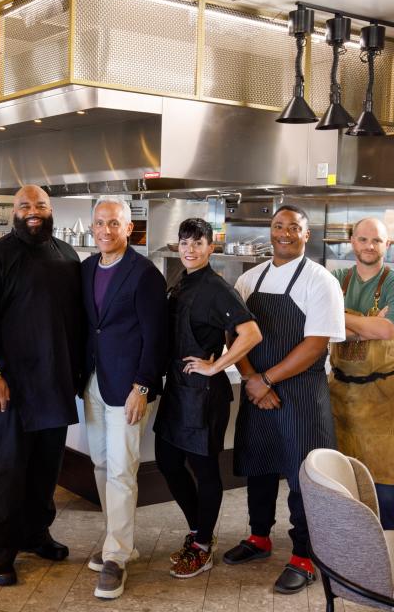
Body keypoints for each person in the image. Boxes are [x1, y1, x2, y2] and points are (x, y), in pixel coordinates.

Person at [0, 184, 85, 587]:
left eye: (41, 205)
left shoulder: (67, 256)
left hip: (54, 383)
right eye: (25, 205)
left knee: (46, 469)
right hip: (10, 387)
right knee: (8, 470)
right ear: (13, 211)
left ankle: (36, 534)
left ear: (50, 210)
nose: (34, 211)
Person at [229, 204, 344, 594]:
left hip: (300, 392)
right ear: (270, 231)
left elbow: (315, 345)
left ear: (305, 235)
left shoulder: (320, 281)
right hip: (258, 389)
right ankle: (259, 537)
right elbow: (235, 336)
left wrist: (265, 380)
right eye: (278, 226)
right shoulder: (250, 279)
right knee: (258, 466)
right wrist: (250, 379)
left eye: (293, 228)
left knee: (304, 477)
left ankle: (305, 556)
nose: (284, 233)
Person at [154, 218, 262, 579]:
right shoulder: (180, 282)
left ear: (210, 248)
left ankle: (201, 546)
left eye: (197, 243)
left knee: (204, 469)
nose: (189, 249)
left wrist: (216, 368)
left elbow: (250, 333)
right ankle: (199, 529)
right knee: (167, 461)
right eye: (185, 242)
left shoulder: (217, 288)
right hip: (177, 391)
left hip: (202, 396)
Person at [80, 196, 167, 599]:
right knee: (100, 463)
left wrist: (143, 387)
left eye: (114, 223)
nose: (105, 231)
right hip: (94, 382)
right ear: (92, 227)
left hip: (129, 386)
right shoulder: (85, 269)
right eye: (100, 223)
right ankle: (118, 538)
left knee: (121, 469)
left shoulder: (145, 273)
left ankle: (116, 555)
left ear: (128, 228)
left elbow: (156, 336)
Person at [328, 217, 394, 531]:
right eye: (363, 239)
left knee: (388, 489)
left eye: (377, 241)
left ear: (387, 245)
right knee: (343, 483)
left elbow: (388, 328)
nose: (369, 246)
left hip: (383, 398)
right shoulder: (336, 277)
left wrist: (342, 323)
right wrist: (365, 326)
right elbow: (320, 326)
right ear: (352, 242)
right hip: (339, 395)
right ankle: (349, 548)